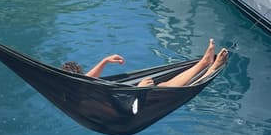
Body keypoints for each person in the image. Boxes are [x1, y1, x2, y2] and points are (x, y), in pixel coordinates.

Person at [62, 39, 228, 87]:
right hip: (126, 113)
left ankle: (204, 63)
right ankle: (210, 67)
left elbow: (87, 78)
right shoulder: (83, 98)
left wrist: (104, 61)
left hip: (127, 100)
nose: (86, 77)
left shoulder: (79, 89)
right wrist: (139, 89)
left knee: (163, 86)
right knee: (168, 90)